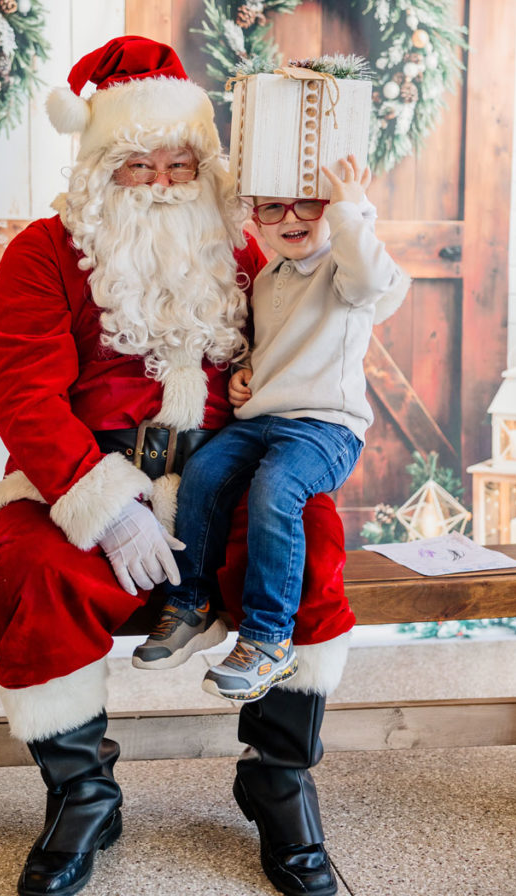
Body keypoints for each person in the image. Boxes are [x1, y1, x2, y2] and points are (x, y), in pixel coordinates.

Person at [0, 35, 358, 896]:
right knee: (30, 568)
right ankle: (81, 793)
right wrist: (108, 506)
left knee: (311, 540)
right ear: (97, 169)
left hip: (225, 475)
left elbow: (313, 343)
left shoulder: (251, 251)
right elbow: (22, 395)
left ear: (207, 165)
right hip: (84, 478)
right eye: (135, 165)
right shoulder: (42, 254)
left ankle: (278, 780)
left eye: (178, 163)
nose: (159, 183)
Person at [134, 155, 408, 705]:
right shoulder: (267, 276)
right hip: (265, 418)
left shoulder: (345, 268)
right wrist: (244, 375)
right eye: (274, 207)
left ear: (332, 211)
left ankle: (268, 639)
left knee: (276, 489)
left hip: (325, 428)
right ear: (255, 218)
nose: (292, 217)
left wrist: (353, 211)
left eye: (310, 204)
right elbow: (271, 348)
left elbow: (374, 278)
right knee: (205, 471)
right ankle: (193, 600)